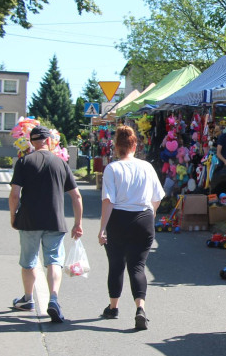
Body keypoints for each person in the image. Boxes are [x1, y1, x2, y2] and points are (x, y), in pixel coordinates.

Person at [8, 126, 83, 323]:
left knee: (29, 261)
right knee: (54, 260)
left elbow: (14, 194)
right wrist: (78, 223)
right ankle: (54, 299)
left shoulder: (23, 162)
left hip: (29, 219)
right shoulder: (60, 163)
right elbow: (76, 196)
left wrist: (13, 216)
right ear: (50, 141)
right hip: (55, 220)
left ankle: (27, 298)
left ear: (31, 142)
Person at [99, 125, 165, 330]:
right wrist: (150, 215)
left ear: (116, 147)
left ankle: (113, 307)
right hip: (143, 219)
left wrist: (102, 228)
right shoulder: (147, 167)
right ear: (135, 145)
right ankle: (140, 308)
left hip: (118, 219)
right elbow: (158, 197)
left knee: (116, 264)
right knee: (137, 266)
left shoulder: (112, 168)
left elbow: (108, 201)